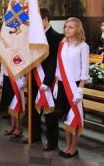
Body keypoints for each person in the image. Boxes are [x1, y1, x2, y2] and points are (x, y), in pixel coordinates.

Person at [22, 8, 63, 150]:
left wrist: (47, 81)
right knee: (33, 110)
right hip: (33, 79)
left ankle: (52, 141)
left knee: (49, 112)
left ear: (46, 19)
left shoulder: (57, 37)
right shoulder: (32, 37)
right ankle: (35, 135)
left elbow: (54, 61)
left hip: (48, 81)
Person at [55, 17, 89, 158]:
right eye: (66, 27)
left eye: (71, 27)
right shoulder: (62, 44)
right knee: (65, 118)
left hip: (75, 87)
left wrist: (80, 90)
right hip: (62, 85)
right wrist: (56, 84)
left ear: (78, 29)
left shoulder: (83, 46)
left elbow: (84, 71)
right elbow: (58, 66)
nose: (67, 29)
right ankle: (67, 146)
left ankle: (74, 148)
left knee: (74, 117)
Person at [0, 66, 26, 138]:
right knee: (10, 103)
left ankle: (18, 128)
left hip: (17, 76)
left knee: (16, 102)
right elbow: (3, 62)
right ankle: (13, 126)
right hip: (7, 74)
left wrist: (24, 77)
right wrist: (1, 75)